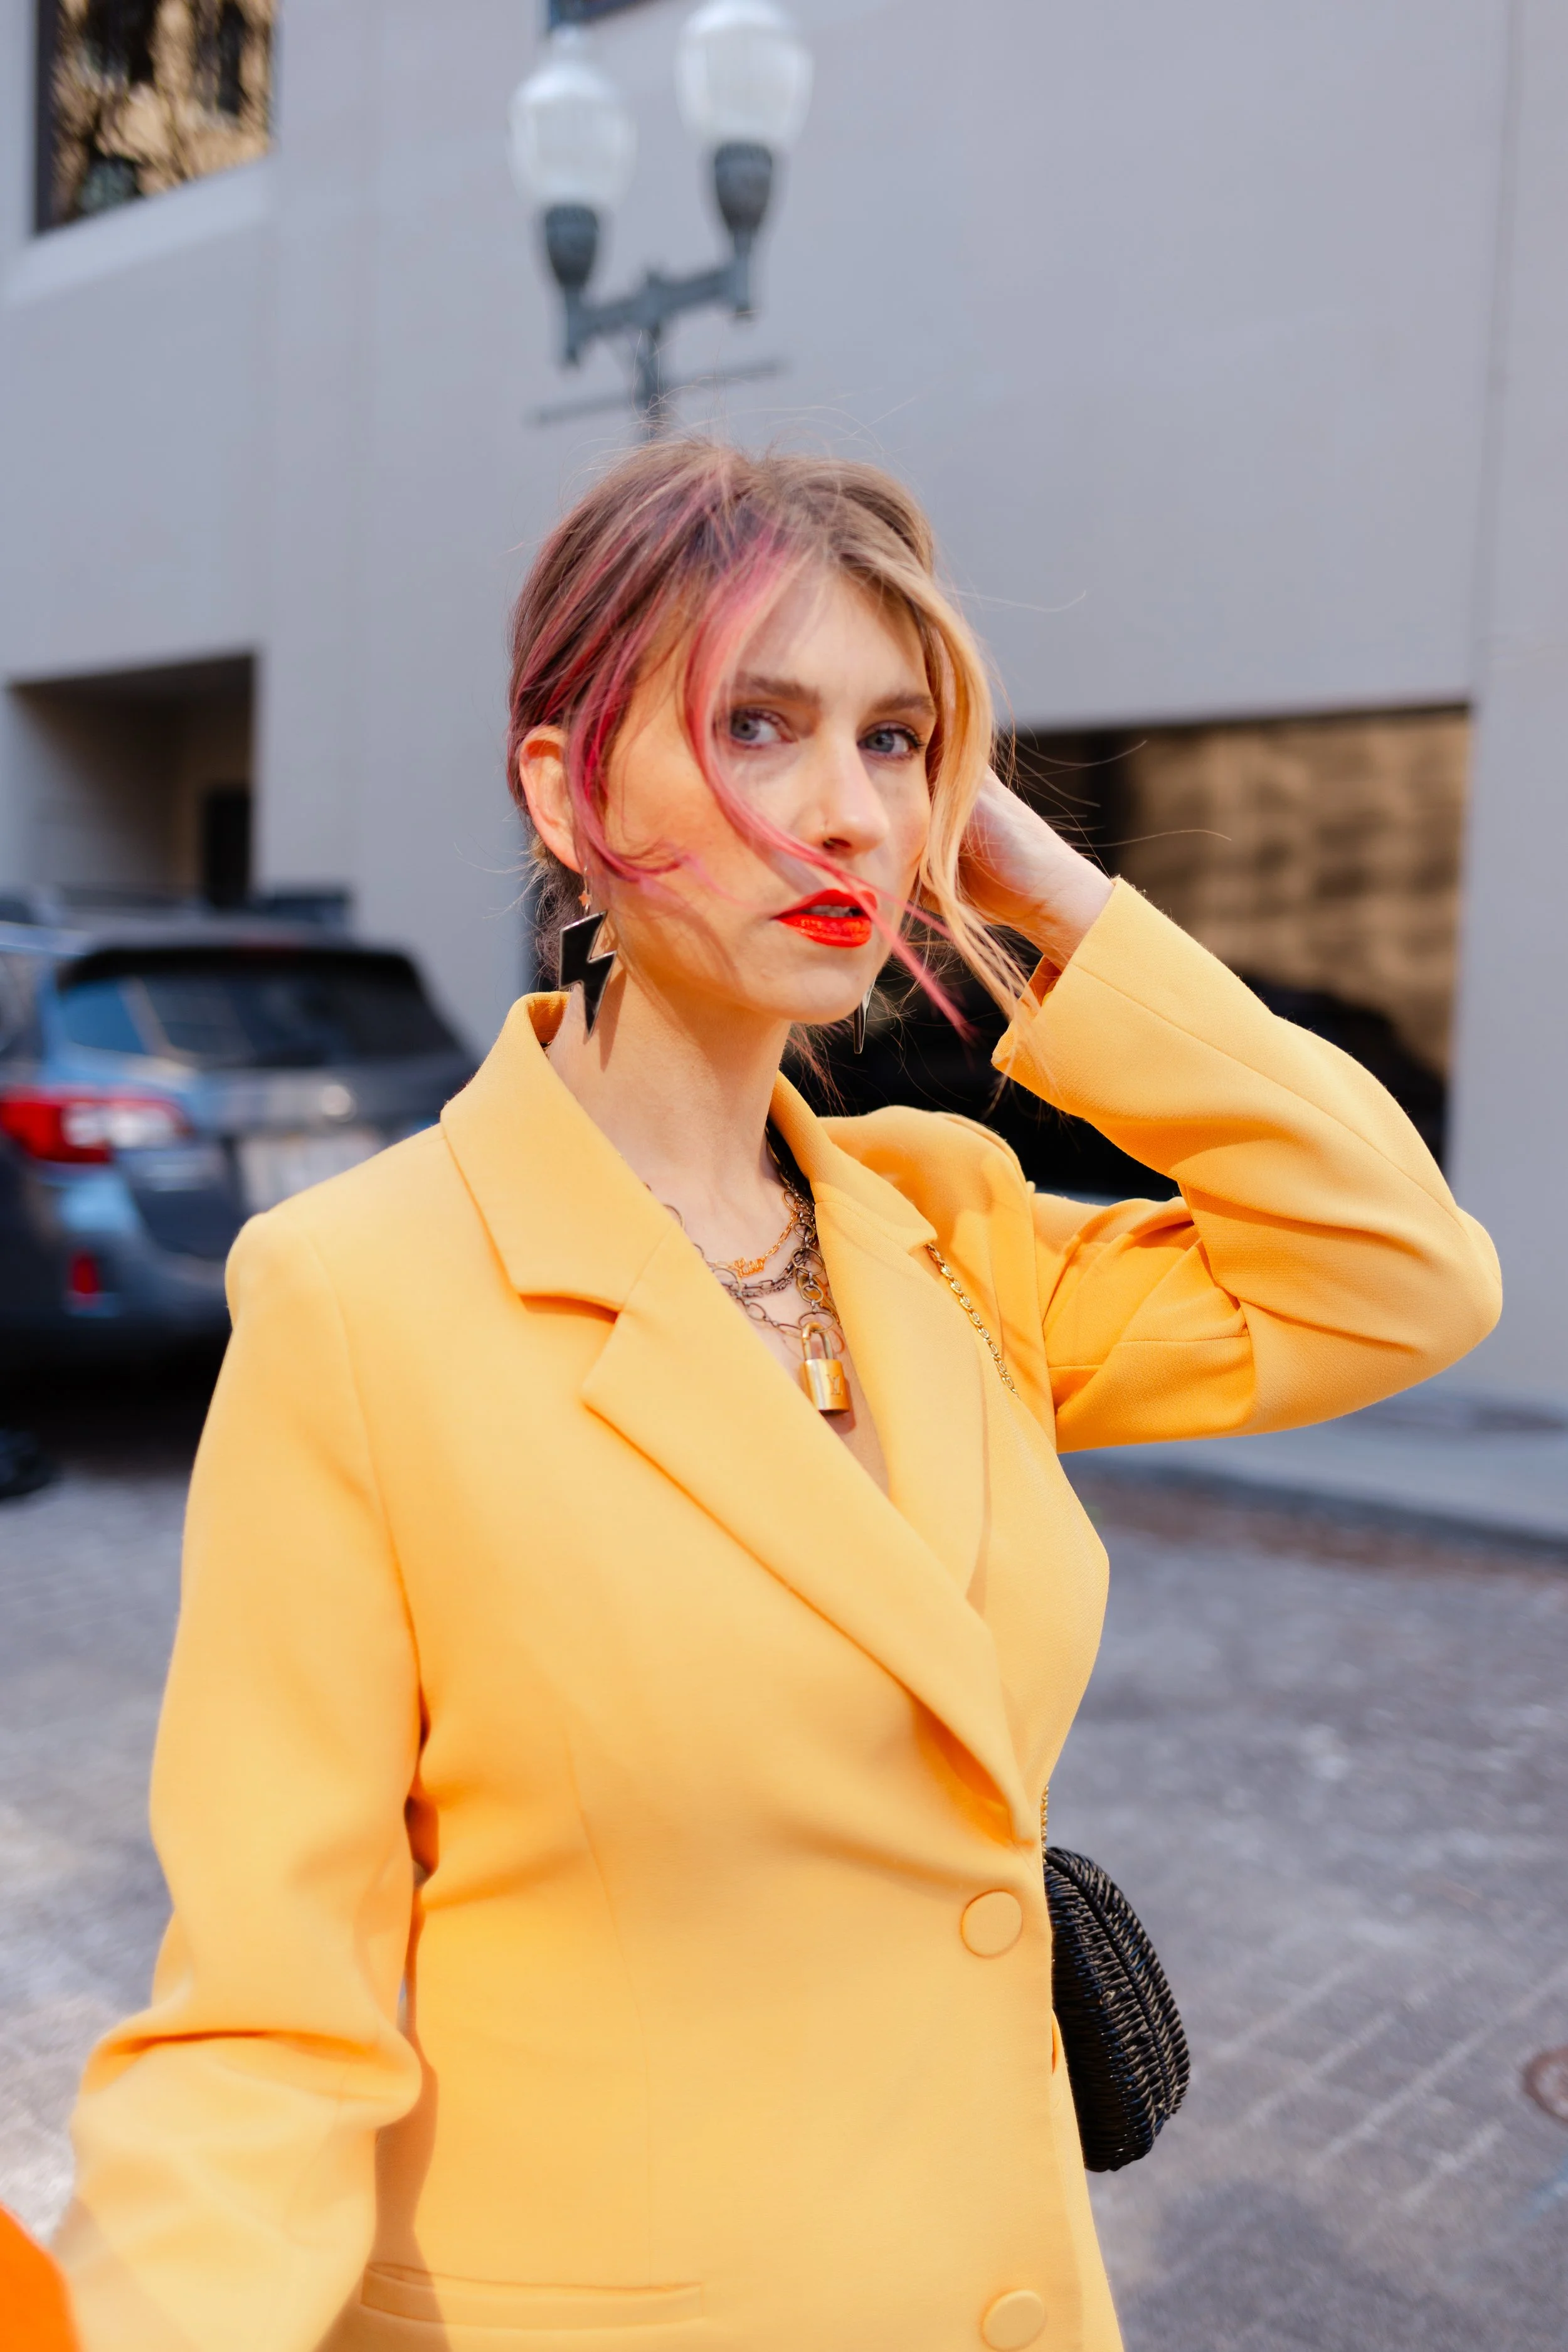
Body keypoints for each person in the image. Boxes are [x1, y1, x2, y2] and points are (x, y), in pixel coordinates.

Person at [57, 444, 1500, 2352]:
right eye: (758, 724)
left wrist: (1037, 882)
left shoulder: (943, 1223)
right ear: (565, 794)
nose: (845, 814)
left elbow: (1397, 1269)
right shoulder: (359, 1297)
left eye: (896, 742)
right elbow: (267, 2010)